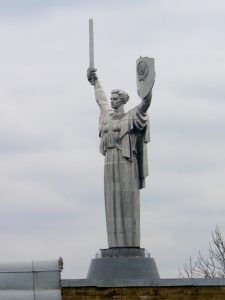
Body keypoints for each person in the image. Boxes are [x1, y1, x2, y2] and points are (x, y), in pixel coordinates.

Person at [87, 67, 152, 248]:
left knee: (127, 202)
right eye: (112, 99)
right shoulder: (106, 117)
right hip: (109, 161)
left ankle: (131, 245)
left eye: (116, 99)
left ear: (123, 101)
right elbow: (101, 100)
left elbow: (146, 102)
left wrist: (146, 82)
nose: (112, 101)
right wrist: (95, 81)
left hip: (126, 161)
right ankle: (114, 245)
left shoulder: (131, 116)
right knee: (112, 202)